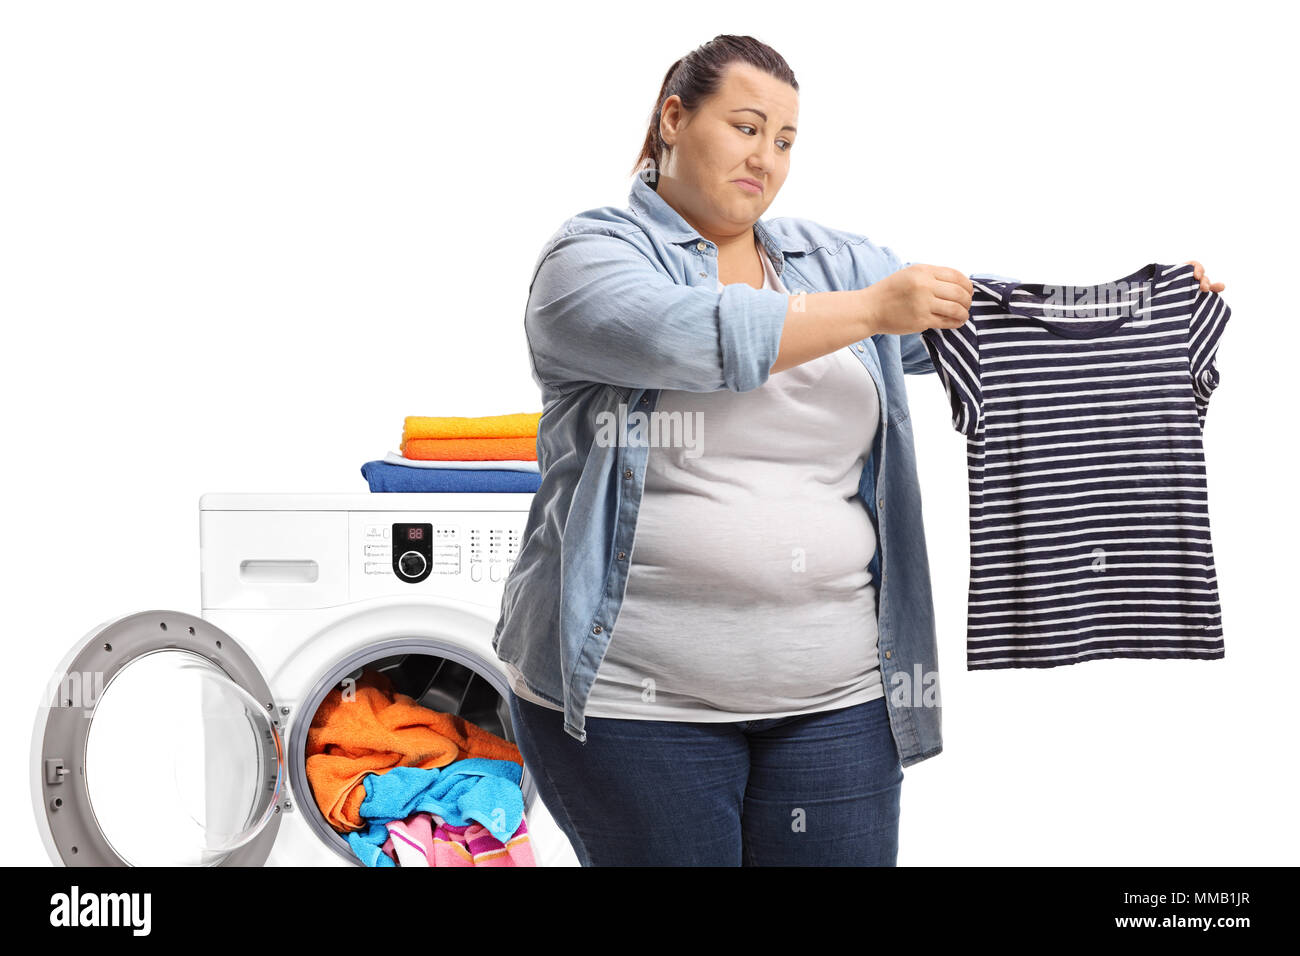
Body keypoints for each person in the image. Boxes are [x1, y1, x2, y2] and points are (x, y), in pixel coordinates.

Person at [491, 34, 1225, 866]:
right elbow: (700, 337)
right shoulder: (589, 260)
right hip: (635, 714)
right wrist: (876, 309)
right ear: (673, 117)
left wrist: (1137, 306)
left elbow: (993, 325)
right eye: (744, 125)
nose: (764, 156)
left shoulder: (833, 262)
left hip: (838, 704)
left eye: (785, 140)